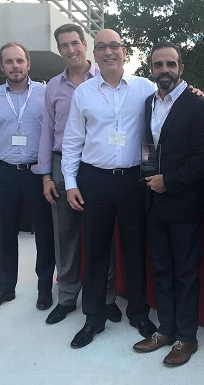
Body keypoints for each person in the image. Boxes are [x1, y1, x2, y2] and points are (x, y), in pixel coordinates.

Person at [62, 29, 158, 349]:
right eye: (101, 47)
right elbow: (73, 141)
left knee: (135, 249)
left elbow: (172, 108)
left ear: (124, 51)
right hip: (95, 180)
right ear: (94, 52)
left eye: (114, 46)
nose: (108, 52)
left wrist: (196, 94)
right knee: (96, 251)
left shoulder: (145, 87)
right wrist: (71, 184)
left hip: (134, 180)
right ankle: (94, 316)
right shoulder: (84, 93)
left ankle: (139, 313)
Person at [132, 42, 204, 366]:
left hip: (183, 204)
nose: (164, 69)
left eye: (170, 64)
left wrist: (170, 180)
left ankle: (187, 337)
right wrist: (151, 178)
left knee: (185, 273)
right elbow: (149, 145)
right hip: (154, 203)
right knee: (162, 270)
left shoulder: (198, 106)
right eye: (157, 65)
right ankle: (165, 329)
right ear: (151, 69)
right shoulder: (149, 103)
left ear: (181, 69)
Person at [36, 23, 120, 325]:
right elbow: (46, 131)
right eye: (64, 46)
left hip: (96, 165)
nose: (71, 50)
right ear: (59, 50)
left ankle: (106, 297)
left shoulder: (106, 75)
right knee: (66, 233)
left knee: (102, 235)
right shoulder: (53, 87)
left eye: (75, 43)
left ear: (86, 45)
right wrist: (46, 175)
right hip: (62, 164)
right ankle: (68, 296)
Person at [0, 42, 55, 311]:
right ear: (2, 66)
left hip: (37, 173)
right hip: (6, 172)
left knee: (44, 233)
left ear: (28, 64)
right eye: (9, 62)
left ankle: (44, 288)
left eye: (19, 61)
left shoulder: (45, 93)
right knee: (7, 232)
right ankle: (5, 288)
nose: (15, 66)